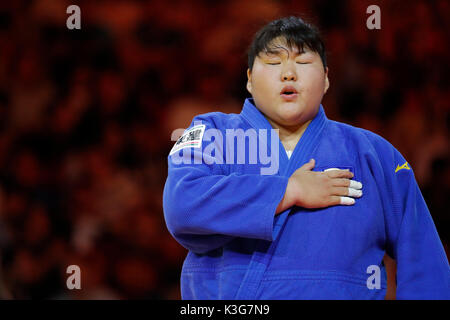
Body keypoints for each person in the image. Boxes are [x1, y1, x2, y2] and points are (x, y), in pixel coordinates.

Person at [163, 16, 450, 299]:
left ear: (326, 78)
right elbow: (182, 204)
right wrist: (290, 190)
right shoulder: (212, 133)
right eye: (274, 63)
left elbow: (424, 260)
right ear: (249, 79)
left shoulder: (376, 154)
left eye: (303, 62)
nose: (289, 73)